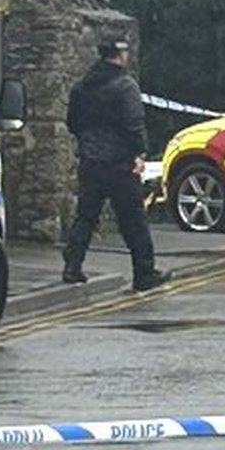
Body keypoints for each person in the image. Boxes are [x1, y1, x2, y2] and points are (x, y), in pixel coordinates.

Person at [62, 37, 171, 292]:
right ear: (119, 54)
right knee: (133, 220)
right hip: (120, 164)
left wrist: (88, 145)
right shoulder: (125, 86)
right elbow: (134, 124)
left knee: (85, 216)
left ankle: (72, 267)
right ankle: (144, 273)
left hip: (90, 162)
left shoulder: (81, 88)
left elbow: (72, 124)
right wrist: (139, 153)